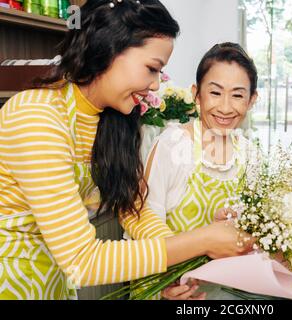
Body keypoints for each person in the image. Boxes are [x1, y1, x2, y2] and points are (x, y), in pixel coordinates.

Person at [0, 1, 252, 300]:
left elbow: (132, 208)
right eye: (151, 68)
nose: (157, 85)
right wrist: (200, 241)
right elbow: (83, 260)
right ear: (107, 48)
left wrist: (173, 271)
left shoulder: (111, 120)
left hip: (53, 283)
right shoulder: (35, 115)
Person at [140, 43, 258, 299]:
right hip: (174, 292)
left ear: (252, 100)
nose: (225, 108)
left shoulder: (250, 154)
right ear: (197, 94)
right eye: (215, 93)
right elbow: (143, 230)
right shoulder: (172, 146)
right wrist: (162, 290)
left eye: (237, 95)